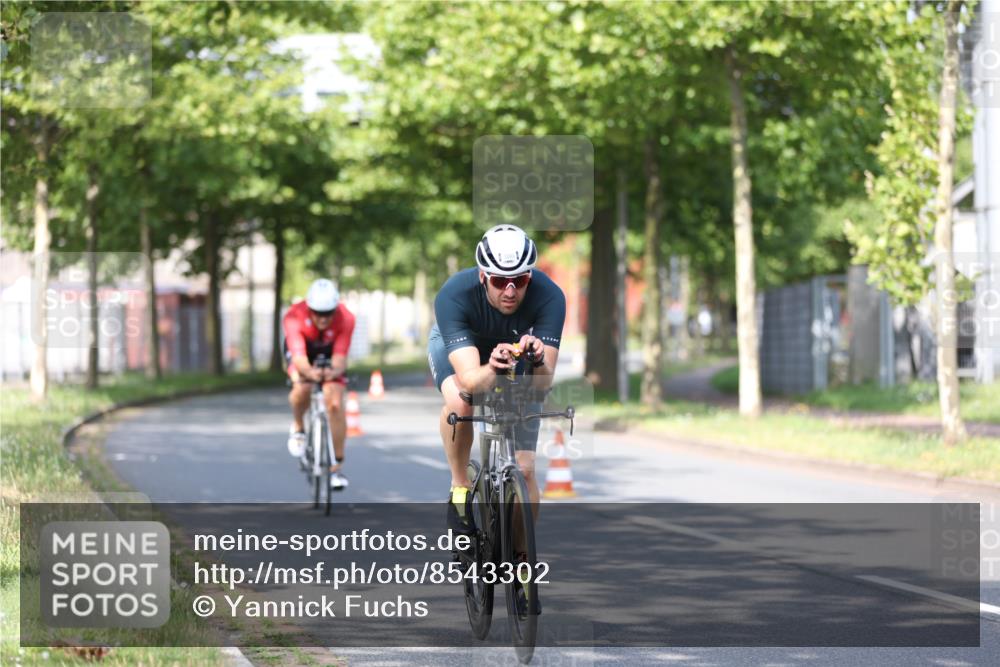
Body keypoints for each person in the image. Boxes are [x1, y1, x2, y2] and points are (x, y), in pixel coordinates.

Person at [427, 224, 566, 535]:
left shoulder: (550, 296)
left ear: (530, 276)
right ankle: (460, 488)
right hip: (463, 350)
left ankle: (521, 558)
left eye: (520, 280)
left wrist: (538, 359)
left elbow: (542, 384)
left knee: (525, 471)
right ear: (483, 276)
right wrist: (491, 368)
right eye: (500, 281)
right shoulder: (454, 294)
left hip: (514, 350)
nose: (510, 291)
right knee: (461, 403)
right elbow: (469, 380)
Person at [283, 278, 355, 489]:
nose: (323, 319)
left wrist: (331, 372)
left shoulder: (346, 318)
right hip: (303, 351)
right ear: (309, 308)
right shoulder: (293, 316)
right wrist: (309, 373)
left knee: (335, 402)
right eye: (318, 313)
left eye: (328, 313)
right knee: (301, 387)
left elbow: (340, 359)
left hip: (330, 352)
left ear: (335, 309)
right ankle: (298, 427)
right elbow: (299, 359)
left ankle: (336, 467)